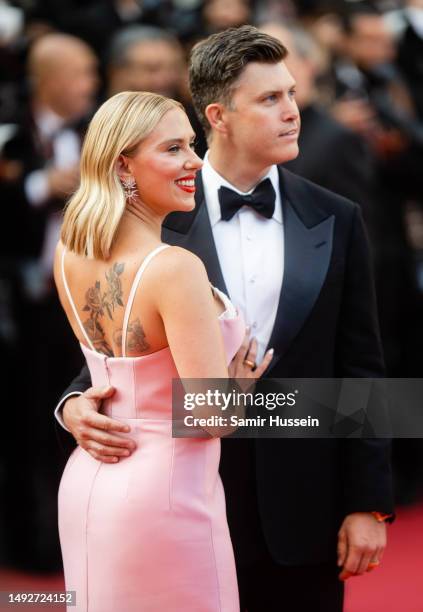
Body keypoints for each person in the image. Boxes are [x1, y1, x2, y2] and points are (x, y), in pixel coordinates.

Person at [56, 27, 394, 612]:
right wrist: (73, 404)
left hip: (304, 507)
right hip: (179, 502)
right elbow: (110, 336)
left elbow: (362, 365)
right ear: (219, 115)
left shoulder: (336, 217)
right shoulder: (153, 220)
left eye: (292, 93)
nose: (294, 112)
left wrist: (369, 502)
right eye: (270, 99)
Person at [54, 89, 273, 611]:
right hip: (166, 494)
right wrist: (238, 385)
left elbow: (109, 372)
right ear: (123, 165)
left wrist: (70, 405)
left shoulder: (68, 252)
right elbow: (209, 416)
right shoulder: (173, 267)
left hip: (91, 481)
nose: (194, 161)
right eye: (173, 149)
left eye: (192, 145)